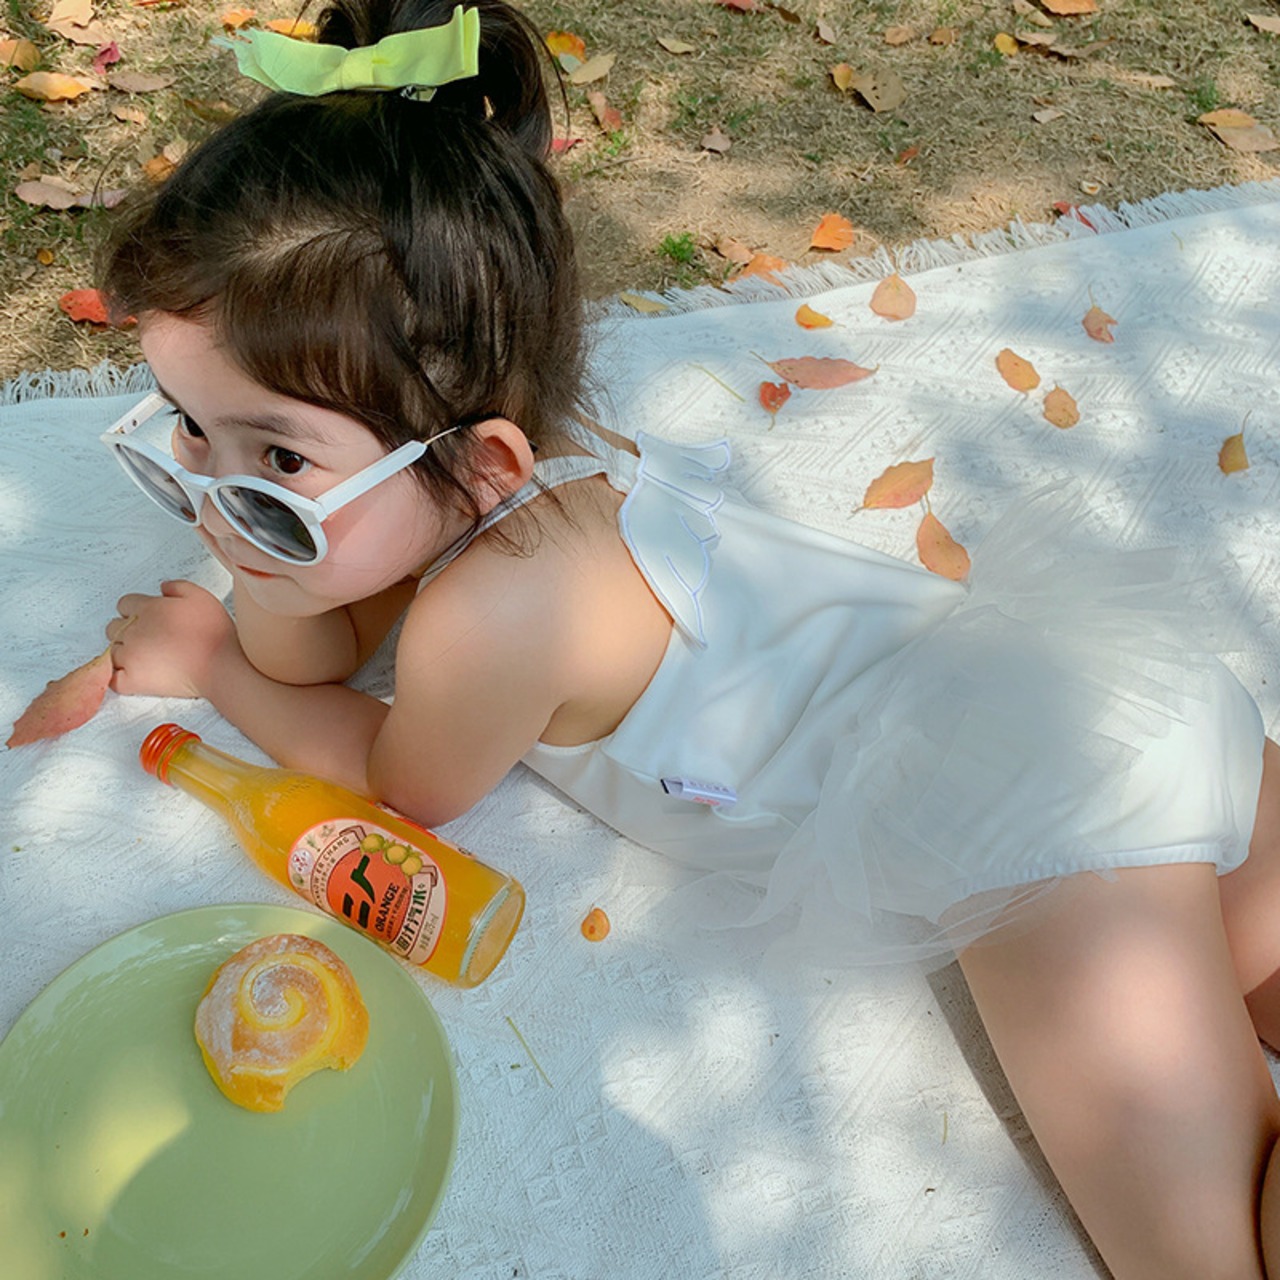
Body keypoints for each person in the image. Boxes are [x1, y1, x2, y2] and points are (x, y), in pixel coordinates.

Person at [97, 2, 1280, 1275]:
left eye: (277, 462)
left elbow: (398, 785)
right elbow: (330, 631)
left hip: (1044, 842)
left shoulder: (490, 613)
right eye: (186, 423)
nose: (209, 489)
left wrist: (216, 660)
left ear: (481, 463)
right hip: (1103, 696)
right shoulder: (522, 468)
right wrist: (269, 554)